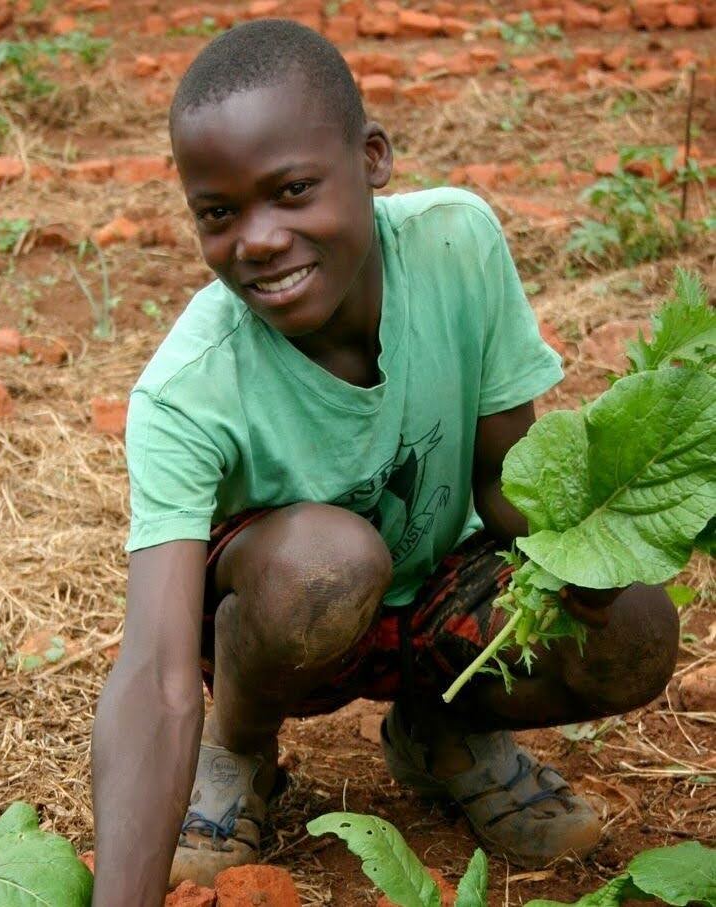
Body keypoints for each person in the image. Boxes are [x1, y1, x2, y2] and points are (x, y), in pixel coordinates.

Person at [90, 19, 679, 905]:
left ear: (371, 158)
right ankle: (241, 750)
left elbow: (501, 479)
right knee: (329, 560)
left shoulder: (457, 246)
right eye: (219, 213)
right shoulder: (187, 390)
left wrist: (583, 552)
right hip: (285, 626)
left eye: (291, 190)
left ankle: (443, 731)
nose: (256, 239)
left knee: (636, 624)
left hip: (433, 596)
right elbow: (157, 673)